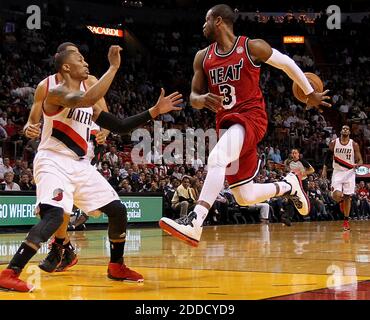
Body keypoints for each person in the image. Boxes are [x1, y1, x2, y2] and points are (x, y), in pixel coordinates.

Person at [0, 45, 183, 292]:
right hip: (53, 160)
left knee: (118, 210)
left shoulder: (89, 103)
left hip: (80, 164)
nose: (86, 62)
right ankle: (10, 272)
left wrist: (154, 111)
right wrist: (114, 67)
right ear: (66, 67)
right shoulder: (56, 92)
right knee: (54, 215)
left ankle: (116, 266)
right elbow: (82, 99)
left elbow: (119, 126)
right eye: (80, 59)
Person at [159, 4, 330, 247]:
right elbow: (193, 97)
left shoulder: (251, 47)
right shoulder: (202, 57)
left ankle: (195, 221)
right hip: (228, 126)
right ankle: (289, 185)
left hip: (251, 118)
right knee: (244, 196)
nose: (203, 25)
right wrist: (202, 99)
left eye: (206, 20)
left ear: (218, 21)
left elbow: (287, 64)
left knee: (216, 158)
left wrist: (310, 92)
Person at [23, 42, 110, 273]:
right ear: (63, 61)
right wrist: (29, 127)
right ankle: (63, 246)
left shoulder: (90, 81)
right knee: (54, 203)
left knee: (61, 200)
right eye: (74, 55)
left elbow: (105, 113)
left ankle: (60, 246)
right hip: (55, 145)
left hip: (84, 143)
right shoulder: (46, 86)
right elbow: (33, 118)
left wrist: (106, 132)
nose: (80, 59)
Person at [322, 125, 363, 231]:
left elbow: (360, 160)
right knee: (336, 195)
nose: (345, 130)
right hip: (337, 172)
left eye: (347, 129)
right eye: (343, 128)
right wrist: (324, 169)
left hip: (349, 172)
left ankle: (346, 221)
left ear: (349, 132)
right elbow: (327, 157)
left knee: (347, 197)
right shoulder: (334, 143)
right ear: (341, 131)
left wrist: (357, 165)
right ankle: (341, 202)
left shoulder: (354, 144)